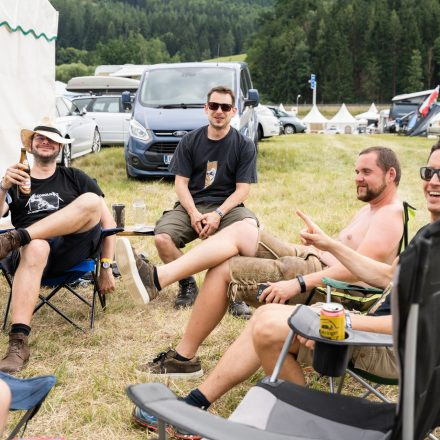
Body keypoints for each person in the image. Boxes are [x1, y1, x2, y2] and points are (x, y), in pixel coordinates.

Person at [133, 140, 440, 437]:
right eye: (429, 172)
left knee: (268, 323)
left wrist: (340, 319)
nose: (433, 181)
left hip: (392, 348)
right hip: (375, 329)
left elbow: (412, 323)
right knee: (266, 317)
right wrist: (329, 245)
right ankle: (210, 405)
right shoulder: (429, 235)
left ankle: (210, 406)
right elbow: (387, 275)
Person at [0, 118, 116, 372]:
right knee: (37, 246)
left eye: (52, 139)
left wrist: (106, 267)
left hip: (69, 249)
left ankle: (18, 237)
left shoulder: (75, 177)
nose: (45, 142)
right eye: (39, 138)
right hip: (31, 256)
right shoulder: (17, 178)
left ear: (60, 147)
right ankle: (18, 343)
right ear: (30, 146)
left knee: (92, 201)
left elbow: (108, 224)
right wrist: (3, 186)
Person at [152, 85, 258, 315]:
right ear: (206, 108)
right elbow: (180, 184)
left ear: (233, 111)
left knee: (250, 229)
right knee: (162, 238)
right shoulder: (189, 141)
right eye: (214, 105)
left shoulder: (244, 145)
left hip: (227, 207)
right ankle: (187, 283)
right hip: (192, 205)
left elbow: (242, 190)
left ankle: (236, 291)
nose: (219, 111)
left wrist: (218, 214)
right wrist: (193, 213)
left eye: (225, 107)